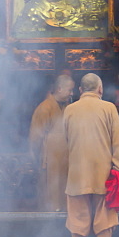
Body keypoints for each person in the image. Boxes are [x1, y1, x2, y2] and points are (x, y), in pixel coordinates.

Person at [63, 72, 119, 237]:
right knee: (105, 211)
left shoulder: (69, 110)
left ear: (80, 90)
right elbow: (118, 141)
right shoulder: (109, 108)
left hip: (77, 170)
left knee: (77, 211)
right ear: (100, 89)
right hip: (103, 171)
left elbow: (66, 140)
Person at [29, 74, 75, 211]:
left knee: (64, 193)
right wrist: (37, 157)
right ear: (59, 89)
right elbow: (35, 137)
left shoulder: (69, 107)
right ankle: (47, 225)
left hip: (66, 160)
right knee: (50, 193)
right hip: (50, 160)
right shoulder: (44, 108)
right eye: (70, 90)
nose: (72, 93)